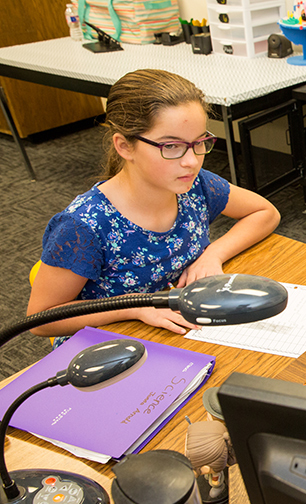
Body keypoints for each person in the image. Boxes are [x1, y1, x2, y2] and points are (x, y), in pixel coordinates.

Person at [27, 69, 280, 341]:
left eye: (199, 143)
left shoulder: (194, 185)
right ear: (125, 146)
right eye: (171, 146)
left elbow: (265, 212)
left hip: (179, 327)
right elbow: (42, 320)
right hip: (111, 343)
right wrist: (134, 307)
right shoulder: (84, 225)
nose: (192, 161)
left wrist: (213, 254)